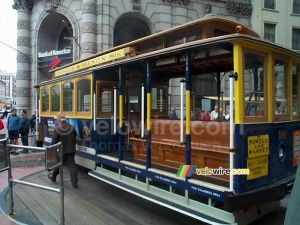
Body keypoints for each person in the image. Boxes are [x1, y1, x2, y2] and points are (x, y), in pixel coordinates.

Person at [48, 112, 78, 188]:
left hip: (62, 151)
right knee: (72, 166)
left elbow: (54, 142)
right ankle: (74, 183)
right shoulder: (72, 127)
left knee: (58, 164)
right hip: (71, 149)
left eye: (56, 119)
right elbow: (75, 136)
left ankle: (53, 177)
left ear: (58, 120)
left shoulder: (57, 129)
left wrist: (51, 151)